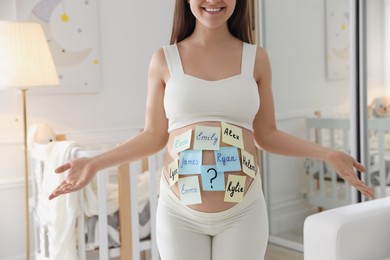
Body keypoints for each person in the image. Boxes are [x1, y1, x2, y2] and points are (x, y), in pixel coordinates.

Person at [49, 0, 374, 259]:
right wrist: (94, 162)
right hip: (178, 213)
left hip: (243, 212)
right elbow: (153, 136)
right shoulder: (164, 59)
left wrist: (327, 153)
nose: (214, 1)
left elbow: (267, 134)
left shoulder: (256, 59)